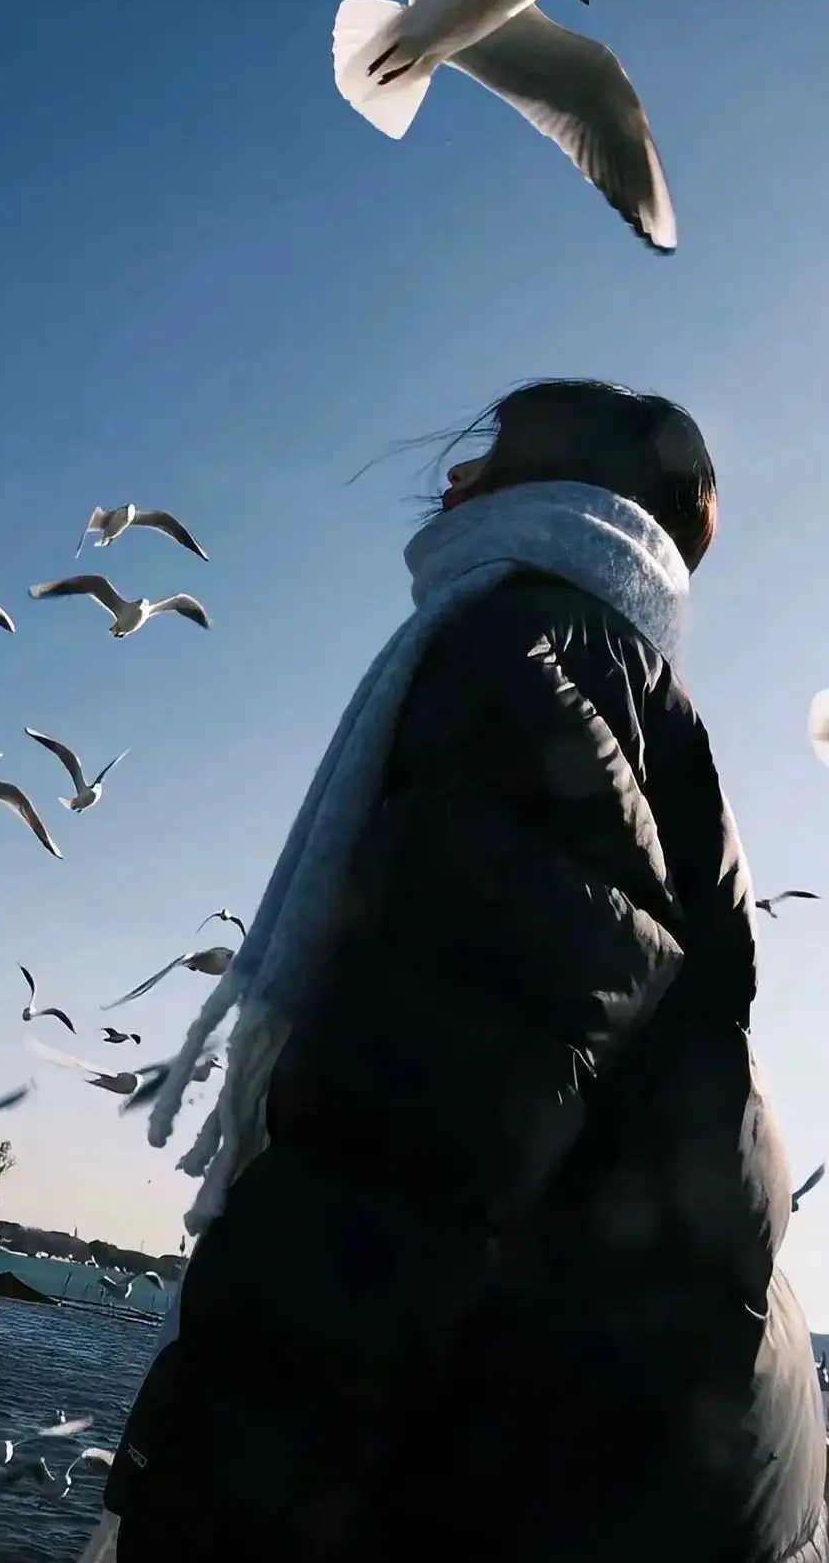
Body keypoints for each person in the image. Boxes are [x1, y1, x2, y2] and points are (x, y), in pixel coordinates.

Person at [99, 379, 827, 1562]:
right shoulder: (649, 707)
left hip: (589, 1469)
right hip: (690, 1453)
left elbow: (415, 1153)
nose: (450, 480)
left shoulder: (520, 661)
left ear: (560, 483)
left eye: (483, 455)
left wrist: (195, 1500)